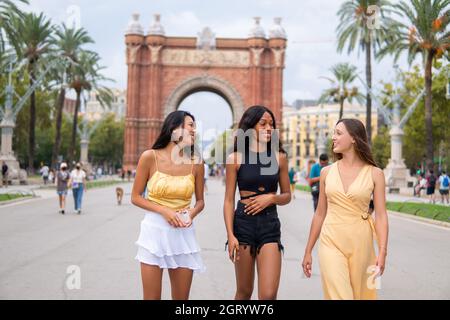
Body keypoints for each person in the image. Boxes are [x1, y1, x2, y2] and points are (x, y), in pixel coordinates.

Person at [301, 118, 389, 300]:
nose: (333, 137)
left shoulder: (375, 173)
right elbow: (319, 214)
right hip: (330, 240)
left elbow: (381, 215)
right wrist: (308, 250)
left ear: (354, 138)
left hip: (362, 242)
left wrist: (382, 251)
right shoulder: (326, 172)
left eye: (338, 133)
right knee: (340, 296)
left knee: (362, 295)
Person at [131, 110, 205, 300]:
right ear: (174, 128)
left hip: (183, 235)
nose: (194, 130)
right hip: (154, 233)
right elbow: (135, 197)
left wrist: (191, 214)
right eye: (190, 125)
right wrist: (163, 210)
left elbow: (201, 202)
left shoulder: (196, 163)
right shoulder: (149, 157)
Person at [224, 105, 291, 300]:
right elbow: (228, 200)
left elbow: (287, 195)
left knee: (268, 295)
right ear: (250, 127)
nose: (269, 128)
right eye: (263, 124)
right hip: (243, 224)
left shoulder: (280, 158)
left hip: (269, 224)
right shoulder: (235, 158)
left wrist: (272, 198)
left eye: (271, 124)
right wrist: (230, 235)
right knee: (244, 292)